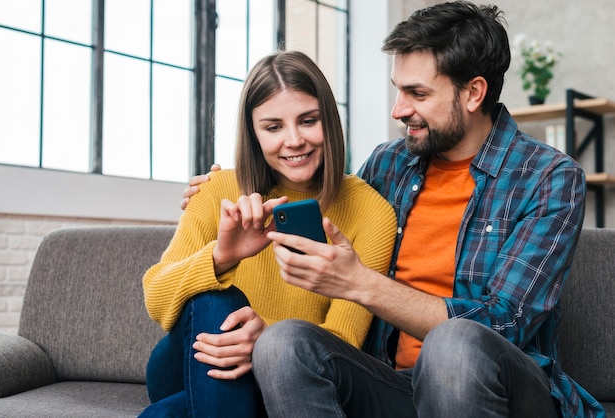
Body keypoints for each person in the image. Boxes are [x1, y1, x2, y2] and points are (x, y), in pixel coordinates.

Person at [183, 2, 604, 417]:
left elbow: (505, 325)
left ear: (474, 92)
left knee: (453, 343)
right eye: (398, 90)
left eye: (417, 93)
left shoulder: (549, 177)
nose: (398, 110)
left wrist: (360, 284)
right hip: (392, 384)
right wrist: (229, 185)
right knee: (282, 342)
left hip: (503, 389)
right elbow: (314, 190)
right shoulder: (388, 164)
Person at [140, 50, 397, 417]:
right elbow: (156, 298)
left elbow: (344, 343)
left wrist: (265, 338)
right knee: (218, 301)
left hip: (288, 374)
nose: (294, 141)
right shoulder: (219, 189)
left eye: (308, 120)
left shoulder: (371, 212)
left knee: (161, 416)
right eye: (273, 127)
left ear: (330, 120)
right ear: (254, 133)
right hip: (186, 363)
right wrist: (222, 257)